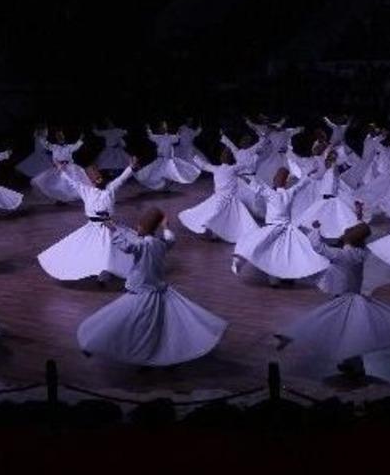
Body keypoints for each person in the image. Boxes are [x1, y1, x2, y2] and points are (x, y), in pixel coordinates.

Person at [76, 208, 227, 367]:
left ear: (142, 227)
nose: (137, 229)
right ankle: (158, 352)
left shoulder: (142, 245)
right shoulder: (160, 244)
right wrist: (165, 226)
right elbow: (170, 240)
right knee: (160, 326)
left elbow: (126, 245)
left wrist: (112, 228)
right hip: (158, 290)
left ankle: (100, 344)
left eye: (139, 226)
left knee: (121, 320)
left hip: (142, 292)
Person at [276, 221, 390, 378]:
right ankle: (351, 364)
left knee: (322, 321)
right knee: (347, 332)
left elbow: (317, 247)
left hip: (344, 299)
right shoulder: (359, 253)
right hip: (353, 297)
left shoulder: (344, 255)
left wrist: (316, 229)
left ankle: (292, 336)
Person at [37, 161, 138, 283]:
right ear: (92, 181)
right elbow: (72, 183)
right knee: (94, 249)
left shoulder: (110, 189)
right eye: (95, 179)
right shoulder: (87, 191)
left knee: (109, 248)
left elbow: (121, 179)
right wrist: (62, 171)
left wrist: (131, 168)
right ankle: (100, 270)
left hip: (109, 226)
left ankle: (107, 270)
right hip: (94, 227)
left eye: (99, 178)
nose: (98, 180)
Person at [232, 167, 329, 286]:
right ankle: (286, 276)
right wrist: (308, 175)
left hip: (273, 229)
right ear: (286, 181)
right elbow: (301, 185)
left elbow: (257, 186)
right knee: (286, 253)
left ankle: (274, 277)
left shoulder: (271, 193)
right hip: (288, 230)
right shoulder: (289, 193)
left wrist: (244, 177)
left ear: (275, 180)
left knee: (257, 245)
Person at [178, 149, 260, 243]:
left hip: (228, 199)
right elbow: (204, 165)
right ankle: (212, 233)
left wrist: (255, 156)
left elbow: (246, 165)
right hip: (218, 197)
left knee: (217, 215)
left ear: (230, 158)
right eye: (223, 155)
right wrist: (195, 158)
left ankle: (215, 233)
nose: (224, 157)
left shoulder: (233, 168)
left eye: (227, 155)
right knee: (210, 213)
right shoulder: (217, 168)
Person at [135, 122, 201, 191]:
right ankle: (161, 185)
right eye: (161, 128)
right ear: (160, 129)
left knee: (167, 173)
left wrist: (178, 133)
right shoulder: (158, 137)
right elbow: (150, 136)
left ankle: (167, 185)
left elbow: (177, 138)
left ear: (166, 129)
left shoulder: (170, 137)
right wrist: (148, 129)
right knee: (155, 173)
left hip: (167, 160)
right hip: (159, 160)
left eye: (164, 127)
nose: (163, 129)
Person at [30, 130, 87, 203]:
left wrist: (80, 139)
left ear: (64, 137)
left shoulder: (69, 147)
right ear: (56, 138)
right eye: (58, 136)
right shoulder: (54, 147)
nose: (60, 137)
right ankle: (60, 199)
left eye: (61, 136)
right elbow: (45, 144)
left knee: (69, 182)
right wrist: (41, 137)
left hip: (68, 167)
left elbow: (76, 146)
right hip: (58, 168)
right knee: (58, 183)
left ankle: (69, 197)